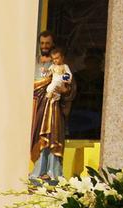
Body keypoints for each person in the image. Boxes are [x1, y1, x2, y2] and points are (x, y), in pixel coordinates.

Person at [30, 46, 72, 180]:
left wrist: (64, 88)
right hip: (44, 108)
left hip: (56, 109)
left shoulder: (64, 68)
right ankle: (40, 170)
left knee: (54, 136)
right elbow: (44, 79)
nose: (44, 46)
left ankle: (54, 171)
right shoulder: (51, 69)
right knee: (43, 137)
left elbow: (69, 82)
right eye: (41, 43)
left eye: (47, 43)